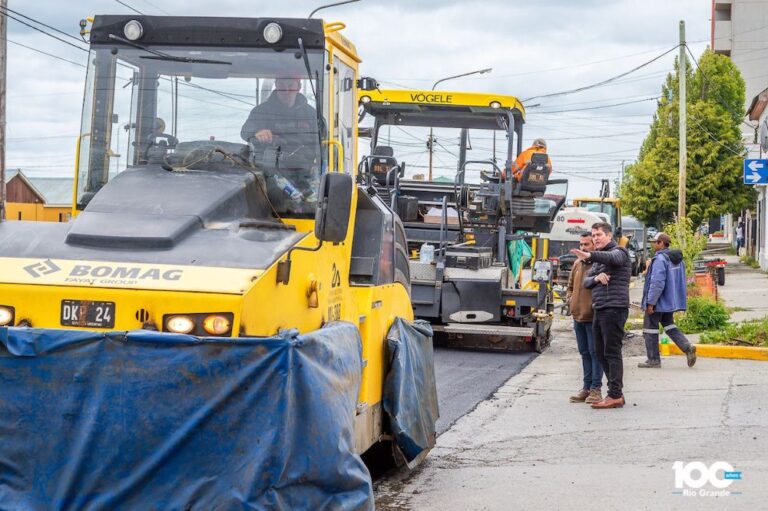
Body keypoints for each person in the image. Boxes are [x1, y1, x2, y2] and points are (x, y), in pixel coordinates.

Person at [571, 222, 631, 409]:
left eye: (599, 235)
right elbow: (586, 282)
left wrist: (590, 254)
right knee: (599, 351)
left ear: (609, 235)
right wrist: (596, 278)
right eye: (594, 235)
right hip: (600, 308)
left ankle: (615, 395)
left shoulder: (619, 252)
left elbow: (612, 258)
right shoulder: (599, 261)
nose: (595, 238)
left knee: (612, 352)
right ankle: (613, 392)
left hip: (614, 307)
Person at [639, 233, 697, 368]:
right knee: (669, 325)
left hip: (658, 301)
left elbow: (657, 283)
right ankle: (687, 347)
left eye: (655, 242)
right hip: (670, 301)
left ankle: (653, 360)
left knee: (650, 329)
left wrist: (651, 302)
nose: (653, 245)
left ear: (661, 243)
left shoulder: (660, 259)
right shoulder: (676, 259)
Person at [567, 232, 604, 404]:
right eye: (581, 245)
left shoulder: (600, 264)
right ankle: (586, 387)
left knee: (595, 353)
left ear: (594, 246)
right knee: (584, 353)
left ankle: (596, 389)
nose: (582, 248)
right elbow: (570, 287)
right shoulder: (577, 263)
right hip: (578, 317)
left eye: (586, 245)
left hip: (593, 317)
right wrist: (570, 301)